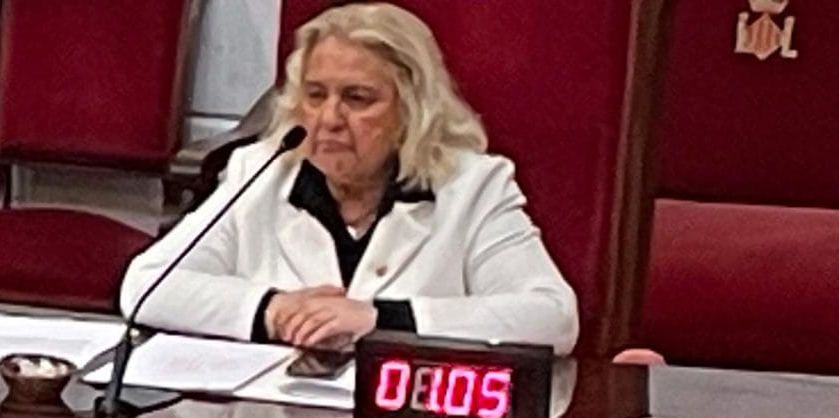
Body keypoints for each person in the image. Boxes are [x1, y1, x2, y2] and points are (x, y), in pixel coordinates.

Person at [118, 2, 578, 356]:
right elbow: (146, 285)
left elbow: (551, 318)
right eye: (315, 95)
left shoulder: (473, 187)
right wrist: (273, 309)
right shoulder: (260, 172)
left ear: (411, 110)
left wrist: (381, 320)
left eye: (358, 98)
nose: (329, 119)